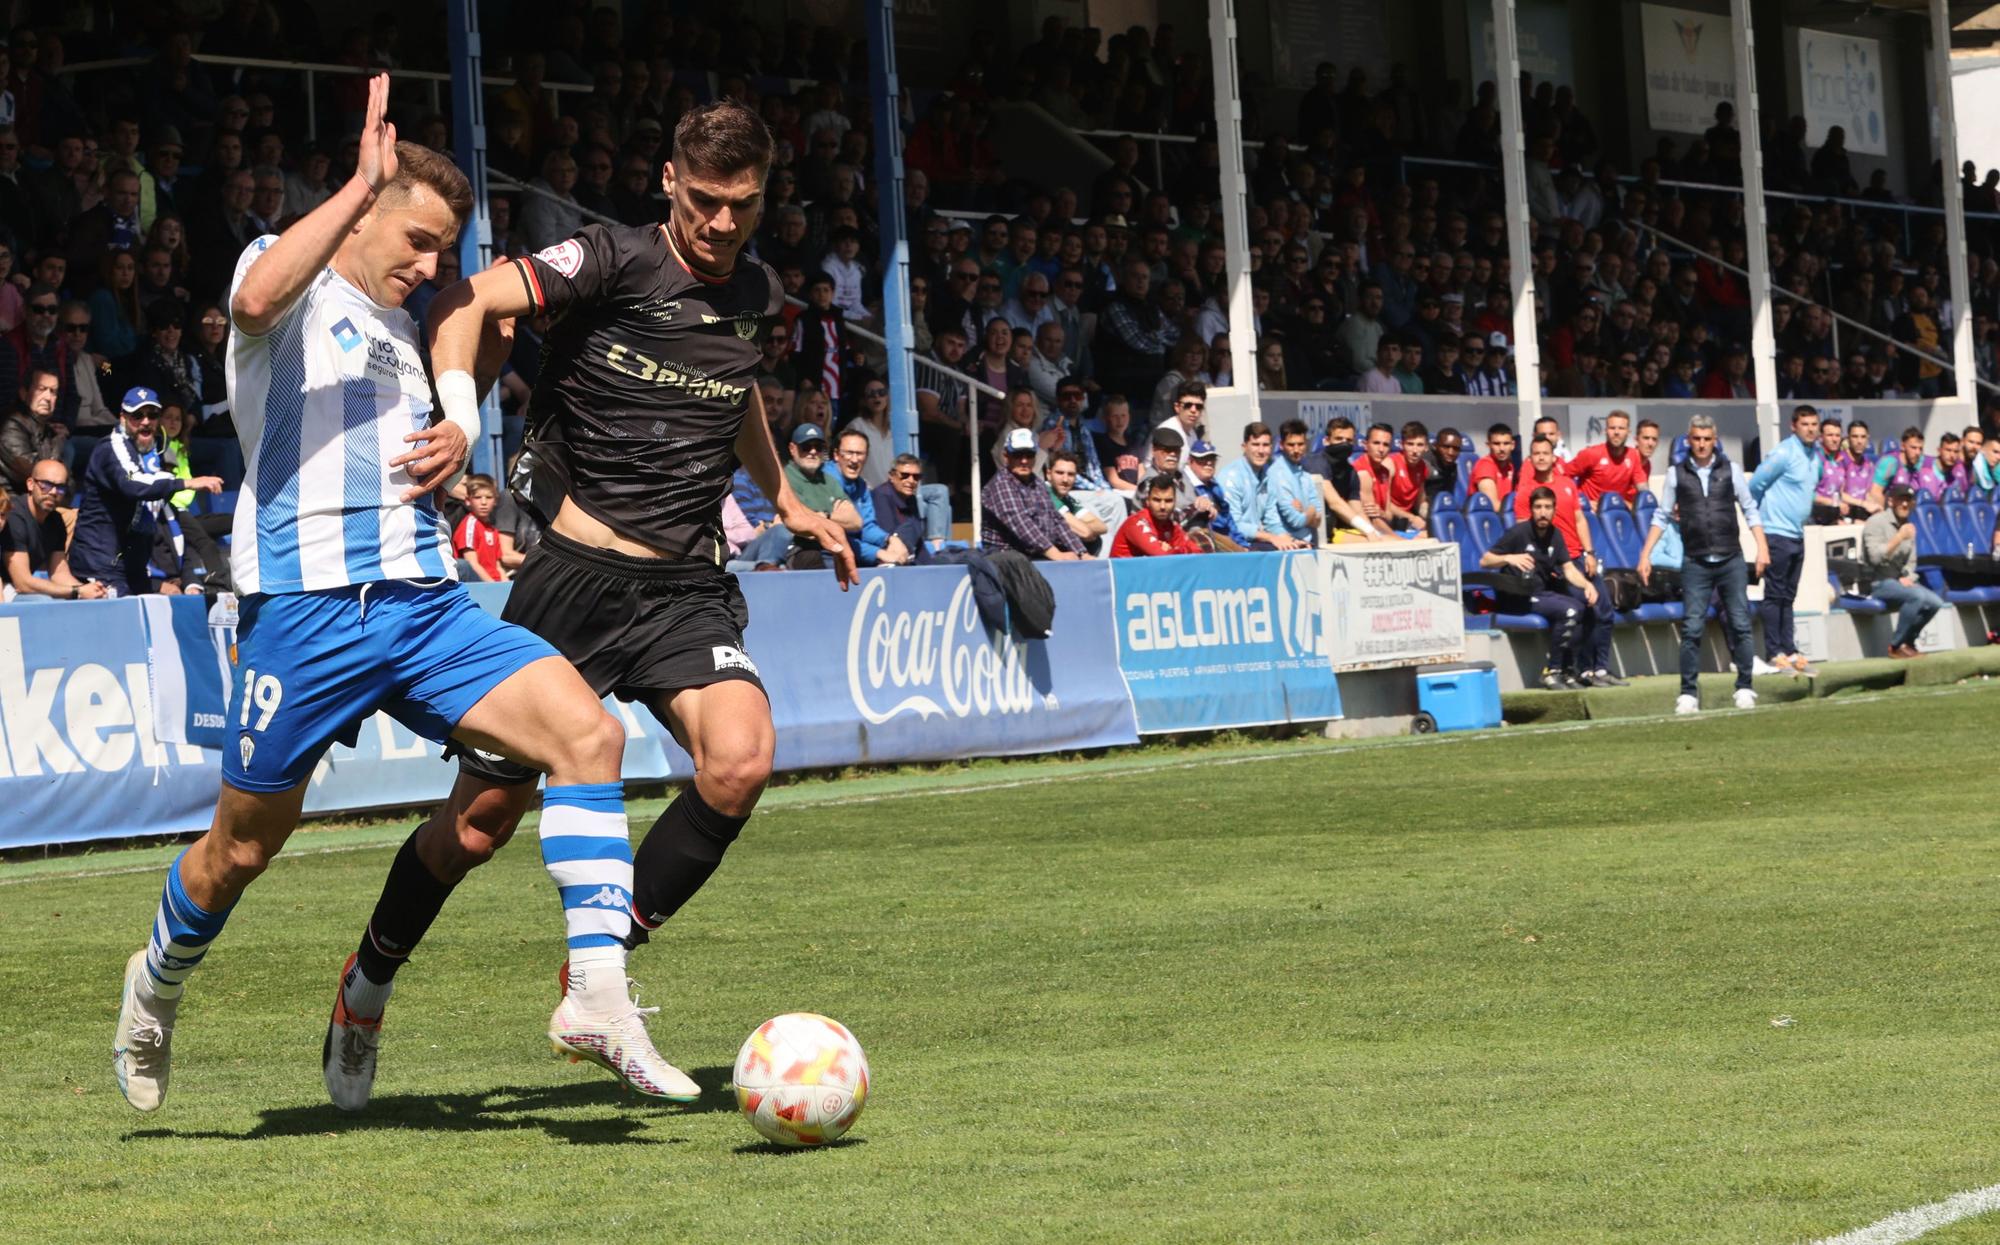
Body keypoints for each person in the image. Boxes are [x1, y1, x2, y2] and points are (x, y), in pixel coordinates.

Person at [111, 77, 691, 1118]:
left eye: (442, 249)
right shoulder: (281, 291)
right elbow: (246, 303)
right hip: (305, 611)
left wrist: (462, 429)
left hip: (425, 607)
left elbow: (457, 363)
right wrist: (356, 181)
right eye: (416, 240)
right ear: (365, 209)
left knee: (587, 738)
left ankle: (597, 993)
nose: (430, 267)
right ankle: (155, 983)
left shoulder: (398, 334)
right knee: (241, 848)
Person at [317, 97, 857, 1115]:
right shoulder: (608, 259)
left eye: (741, 205)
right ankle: (366, 986)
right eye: (703, 201)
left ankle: (596, 976)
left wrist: (782, 494)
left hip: (684, 585)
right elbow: (469, 299)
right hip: (570, 580)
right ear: (668, 182)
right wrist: (459, 419)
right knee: (474, 830)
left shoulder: (755, 290)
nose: (720, 223)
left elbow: (735, 382)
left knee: (738, 762)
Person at [1638, 413, 1767, 715]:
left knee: (1740, 623)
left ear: (1715, 440)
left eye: (1707, 439)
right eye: (1696, 439)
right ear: (1688, 440)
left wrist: (1762, 547)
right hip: (1695, 561)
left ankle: (1745, 686)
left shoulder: (1731, 470)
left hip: (1730, 558)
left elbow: (1750, 509)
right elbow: (1661, 515)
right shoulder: (1675, 474)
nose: (1702, 444)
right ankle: (1688, 694)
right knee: (1692, 627)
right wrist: (1645, 554)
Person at [69, 386, 222, 595]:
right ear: (123, 418)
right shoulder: (111, 447)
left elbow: (166, 518)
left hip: (131, 567)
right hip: (100, 563)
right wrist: (185, 483)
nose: (145, 421)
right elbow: (133, 482)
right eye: (137, 415)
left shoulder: (151, 455)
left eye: (152, 415)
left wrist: (189, 580)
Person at [1512, 434, 1619, 685]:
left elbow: (1580, 520)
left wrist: (1589, 552)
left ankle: (1601, 668)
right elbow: (1522, 531)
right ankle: (1582, 670)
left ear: (1553, 457)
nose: (1540, 458)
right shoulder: (1526, 491)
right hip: (1558, 565)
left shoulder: (1568, 484)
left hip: (1579, 558)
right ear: (1530, 457)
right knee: (1584, 606)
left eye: (1545, 453)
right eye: (1536, 453)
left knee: (1604, 609)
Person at [1482, 486, 1600, 690]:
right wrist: (1509, 557)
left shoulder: (1555, 535)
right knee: (1569, 611)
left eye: (1547, 507)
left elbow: (1569, 569)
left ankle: (1568, 670)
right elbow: (1485, 560)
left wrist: (1587, 584)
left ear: (1555, 510)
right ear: (1531, 509)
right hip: (1517, 596)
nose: (1543, 512)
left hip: (1540, 593)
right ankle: (1551, 671)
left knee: (1582, 607)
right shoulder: (1518, 533)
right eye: (1538, 507)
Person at [1747, 404, 1823, 676]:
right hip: (1776, 532)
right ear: (1793, 426)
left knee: (1788, 596)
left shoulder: (1816, 456)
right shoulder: (1783, 452)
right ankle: (1774, 652)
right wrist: (1758, 522)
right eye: (1805, 424)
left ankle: (1790, 650)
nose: (1811, 429)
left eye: (1814, 424)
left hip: (1796, 533)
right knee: (1774, 594)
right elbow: (1755, 484)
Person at [983, 425, 1087, 559]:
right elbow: (1020, 522)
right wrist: (1056, 554)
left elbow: (1056, 520)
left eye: (1029, 454)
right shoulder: (1000, 484)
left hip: (1033, 554)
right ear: (1006, 456)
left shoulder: (1037, 483)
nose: (1024, 460)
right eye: (1018, 455)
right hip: (1005, 558)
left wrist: (1081, 552)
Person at [1862, 485, 1942, 659]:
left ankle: (1908, 642)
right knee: (1917, 597)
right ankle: (1895, 646)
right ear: (1891, 501)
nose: (1905, 504)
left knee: (1935, 602)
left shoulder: (1908, 526)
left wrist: (1906, 577)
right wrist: (1898, 538)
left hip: (1899, 582)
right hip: (1877, 582)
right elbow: (1875, 558)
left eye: (1908, 500)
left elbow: (1911, 562)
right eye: (1901, 500)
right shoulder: (1876, 522)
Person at [2, 459, 101, 598]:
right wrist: (76, 592)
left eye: (60, 487)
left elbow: (59, 574)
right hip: (5, 586)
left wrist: (87, 591)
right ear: (30, 484)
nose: (54, 492)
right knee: (42, 601)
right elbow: (23, 583)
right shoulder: (14, 516)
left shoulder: (56, 521)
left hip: (14, 589)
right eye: (46, 485)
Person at [834, 426, 917, 566]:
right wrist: (878, 553)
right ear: (836, 455)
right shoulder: (827, 481)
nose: (854, 460)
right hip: (828, 555)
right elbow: (834, 534)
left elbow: (867, 527)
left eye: (860, 454)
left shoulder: (861, 486)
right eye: (849, 453)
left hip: (856, 552)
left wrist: (890, 539)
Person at [1215, 422, 1303, 552]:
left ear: (1271, 448)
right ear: (1244, 447)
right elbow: (1233, 525)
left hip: (1253, 542)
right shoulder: (1231, 477)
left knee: (1298, 549)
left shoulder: (1268, 475)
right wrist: (1271, 538)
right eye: (1255, 445)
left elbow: (1271, 520)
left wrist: (1290, 541)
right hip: (1231, 545)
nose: (1261, 451)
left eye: (1265, 445)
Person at [1, 366, 66, 494]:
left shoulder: (49, 431)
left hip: (39, 504)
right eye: (41, 389)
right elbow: (39, 475)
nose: (48, 397)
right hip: (9, 503)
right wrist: (58, 446)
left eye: (53, 392)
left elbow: (68, 484)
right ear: (23, 393)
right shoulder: (11, 426)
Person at [1566, 409, 1648, 507]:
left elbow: (1643, 488)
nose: (1616, 432)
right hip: (1591, 512)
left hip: (1616, 510)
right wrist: (1581, 501)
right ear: (1605, 431)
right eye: (1612, 428)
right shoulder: (1591, 454)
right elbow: (1564, 476)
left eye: (1621, 428)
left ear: (1628, 432)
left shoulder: (1633, 455)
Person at [1111, 473, 1200, 556]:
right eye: (1157, 500)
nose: (1162, 506)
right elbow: (1162, 557)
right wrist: (1177, 550)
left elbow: (1198, 552)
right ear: (1147, 501)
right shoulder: (1136, 523)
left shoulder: (1171, 525)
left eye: (1168, 501)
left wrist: (1172, 550)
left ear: (1175, 502)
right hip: (1124, 572)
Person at [453, 472, 506, 582]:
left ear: (495, 501)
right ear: (468, 501)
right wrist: (494, 586)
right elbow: (472, 563)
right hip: (480, 585)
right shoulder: (470, 525)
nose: (483, 502)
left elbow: (498, 566)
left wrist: (506, 586)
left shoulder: (493, 529)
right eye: (477, 497)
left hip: (495, 585)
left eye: (489, 497)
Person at [1466, 422, 1518, 508]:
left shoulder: (1510, 466)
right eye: (1496, 444)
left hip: (1505, 514)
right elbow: (1493, 506)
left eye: (1506, 443)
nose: (1502, 448)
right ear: (1488, 445)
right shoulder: (1485, 466)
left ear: (1513, 445)